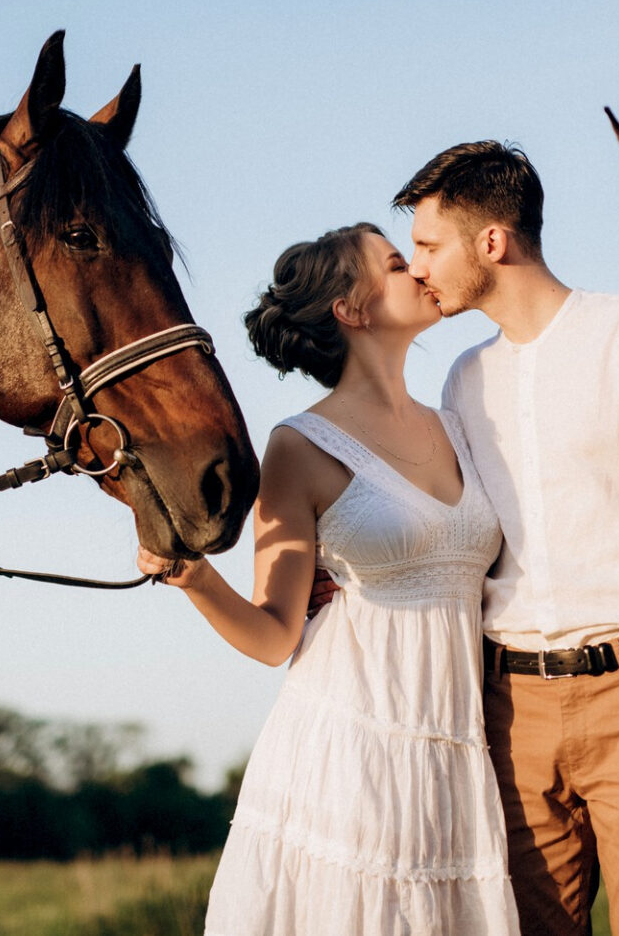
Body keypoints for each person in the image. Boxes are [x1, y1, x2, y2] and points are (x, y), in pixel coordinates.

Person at [138, 223, 519, 936]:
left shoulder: (460, 421)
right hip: (350, 752)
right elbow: (274, 634)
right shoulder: (299, 445)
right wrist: (194, 578)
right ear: (352, 309)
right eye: (399, 264)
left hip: (455, 753)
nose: (422, 273)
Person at [394, 141, 619, 936]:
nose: (417, 269)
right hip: (510, 711)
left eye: (429, 246)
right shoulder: (462, 381)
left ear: (492, 242)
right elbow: (456, 531)